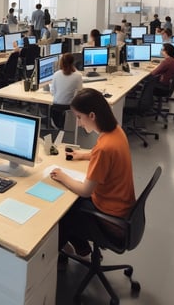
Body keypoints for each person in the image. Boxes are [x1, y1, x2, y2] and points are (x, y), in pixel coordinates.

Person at [50, 88, 135, 258]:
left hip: (110, 217)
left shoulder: (104, 148)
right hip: (123, 208)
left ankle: (56, 257)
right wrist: (84, 155)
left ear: (92, 116)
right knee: (71, 201)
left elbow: (85, 191)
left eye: (79, 117)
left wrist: (62, 176)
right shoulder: (115, 131)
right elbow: (106, 155)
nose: (79, 123)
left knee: (61, 213)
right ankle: (82, 248)